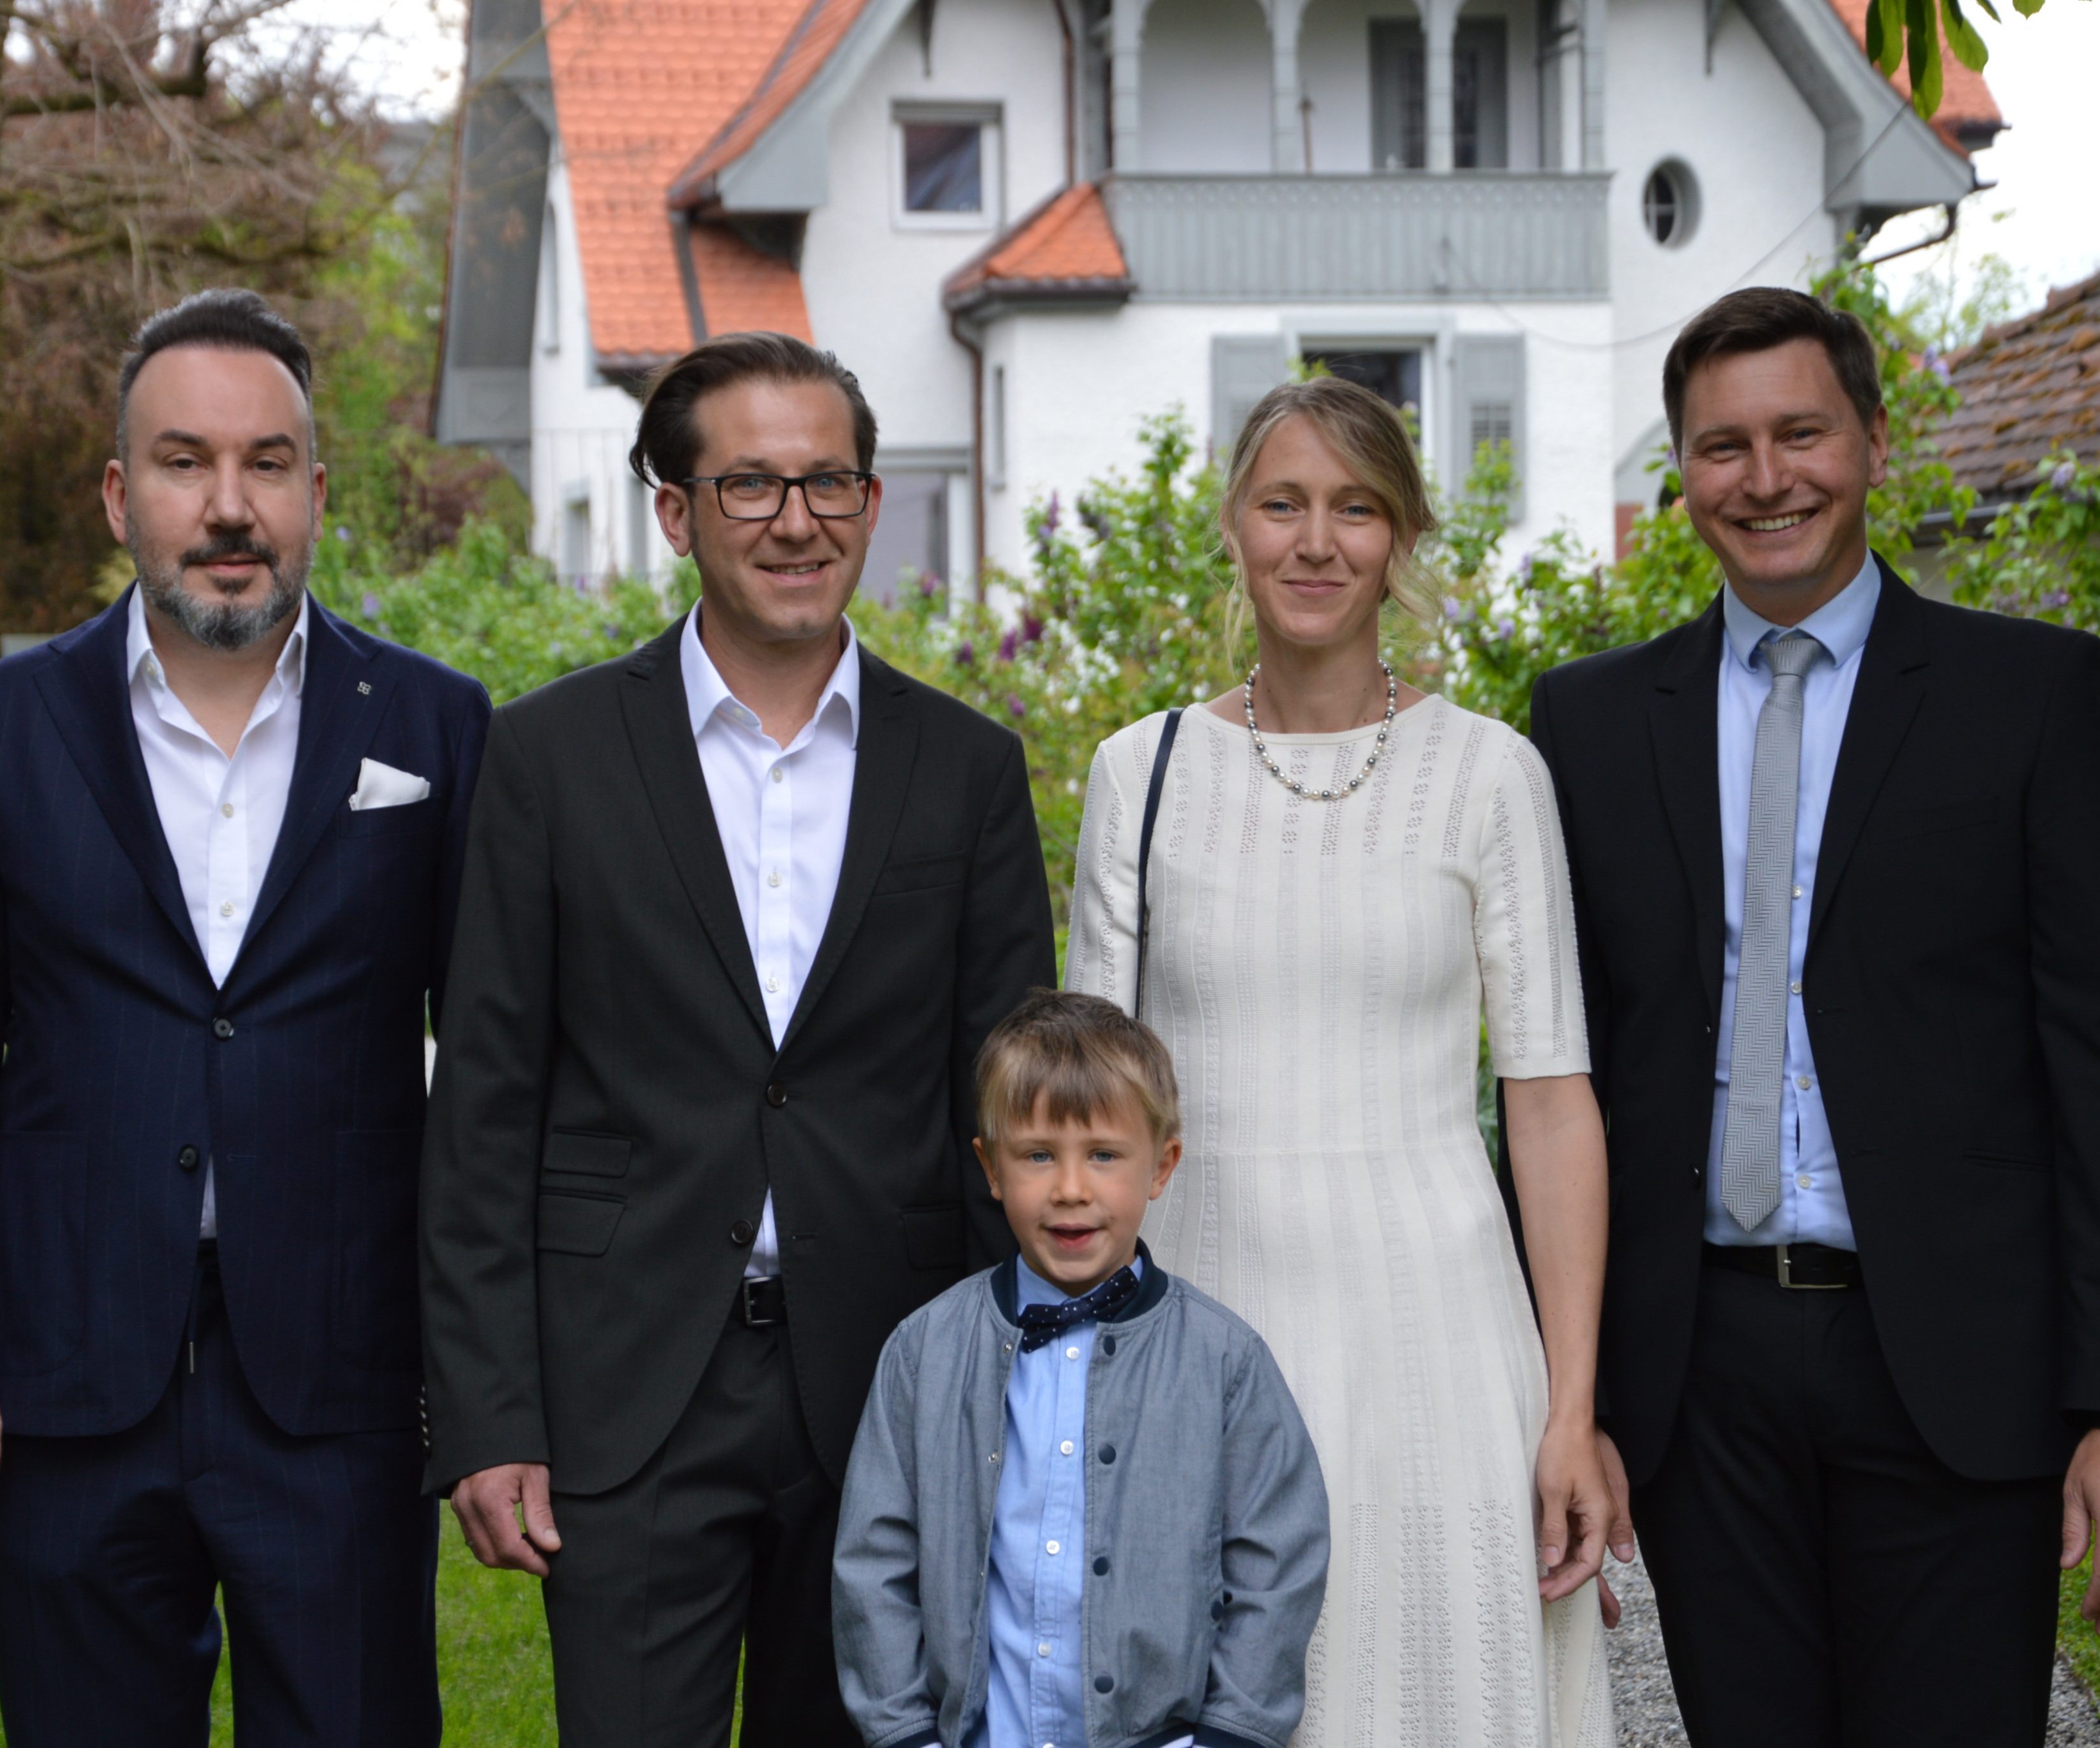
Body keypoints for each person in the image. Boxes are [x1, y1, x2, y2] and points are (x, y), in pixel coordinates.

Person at [1529, 286, 2100, 1745]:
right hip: (1695, 1377)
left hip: (1958, 1370)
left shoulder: (2019, 699)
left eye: (1798, 433)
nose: (1763, 478)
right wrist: (1557, 1393)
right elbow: (1550, 1070)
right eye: (1720, 446)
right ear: (1681, 472)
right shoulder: (1582, 726)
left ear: (1872, 443)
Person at [419, 331, 1057, 1747]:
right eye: (752, 484)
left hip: (890, 1380)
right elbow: (485, 1109)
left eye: (829, 482)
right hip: (628, 1380)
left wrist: (1012, 1385)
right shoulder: (550, 759)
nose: (796, 520)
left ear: (872, 503)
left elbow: (1009, 1110)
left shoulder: (963, 770)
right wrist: (487, 1412)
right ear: (675, 511)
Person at [0, 288, 489, 1745]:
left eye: (266, 463)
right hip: (68, 1381)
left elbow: (493, 1077)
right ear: (118, 491)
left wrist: (490, 1389)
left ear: (318, 494)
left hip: (339, 1396)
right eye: (184, 461)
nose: (229, 505)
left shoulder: (431, 728)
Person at [1065, 375, 1620, 1747]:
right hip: (1198, 1328)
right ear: (1235, 526)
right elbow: (1083, 1124)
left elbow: (1549, 1104)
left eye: (1355, 507)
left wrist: (1570, 1409)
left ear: (1403, 535)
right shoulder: (1138, 773)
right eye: (1284, 502)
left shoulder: (1491, 776)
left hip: (1433, 1340)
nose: (1317, 541)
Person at [834, 989, 1331, 1748]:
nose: (1071, 1187)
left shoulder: (1226, 1361)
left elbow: (1279, 1559)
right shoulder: (923, 1350)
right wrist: (904, 1733)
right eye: (1038, 1154)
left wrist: (1230, 1733)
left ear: (1161, 1164)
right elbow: (873, 1565)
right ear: (991, 1167)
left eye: (1103, 1154)